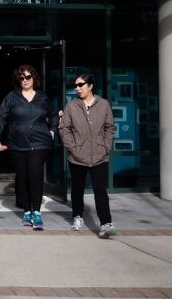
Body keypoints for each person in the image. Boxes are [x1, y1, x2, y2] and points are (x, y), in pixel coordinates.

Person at [0, 64, 59, 230]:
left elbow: (54, 114)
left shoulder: (43, 98)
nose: (25, 80)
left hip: (39, 143)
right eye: (21, 78)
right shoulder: (12, 97)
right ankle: (27, 211)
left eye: (28, 77)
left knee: (35, 176)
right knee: (22, 178)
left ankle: (37, 212)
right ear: (18, 80)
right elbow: (1, 118)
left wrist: (52, 131)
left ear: (34, 78)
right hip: (17, 144)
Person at [59, 73, 117, 239]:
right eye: (75, 85)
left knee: (100, 191)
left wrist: (105, 147)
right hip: (77, 157)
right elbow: (64, 129)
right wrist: (73, 147)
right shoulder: (71, 106)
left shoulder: (103, 104)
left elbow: (110, 127)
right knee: (77, 190)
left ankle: (106, 224)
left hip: (99, 156)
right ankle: (78, 217)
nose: (77, 88)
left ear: (90, 86)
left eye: (81, 85)